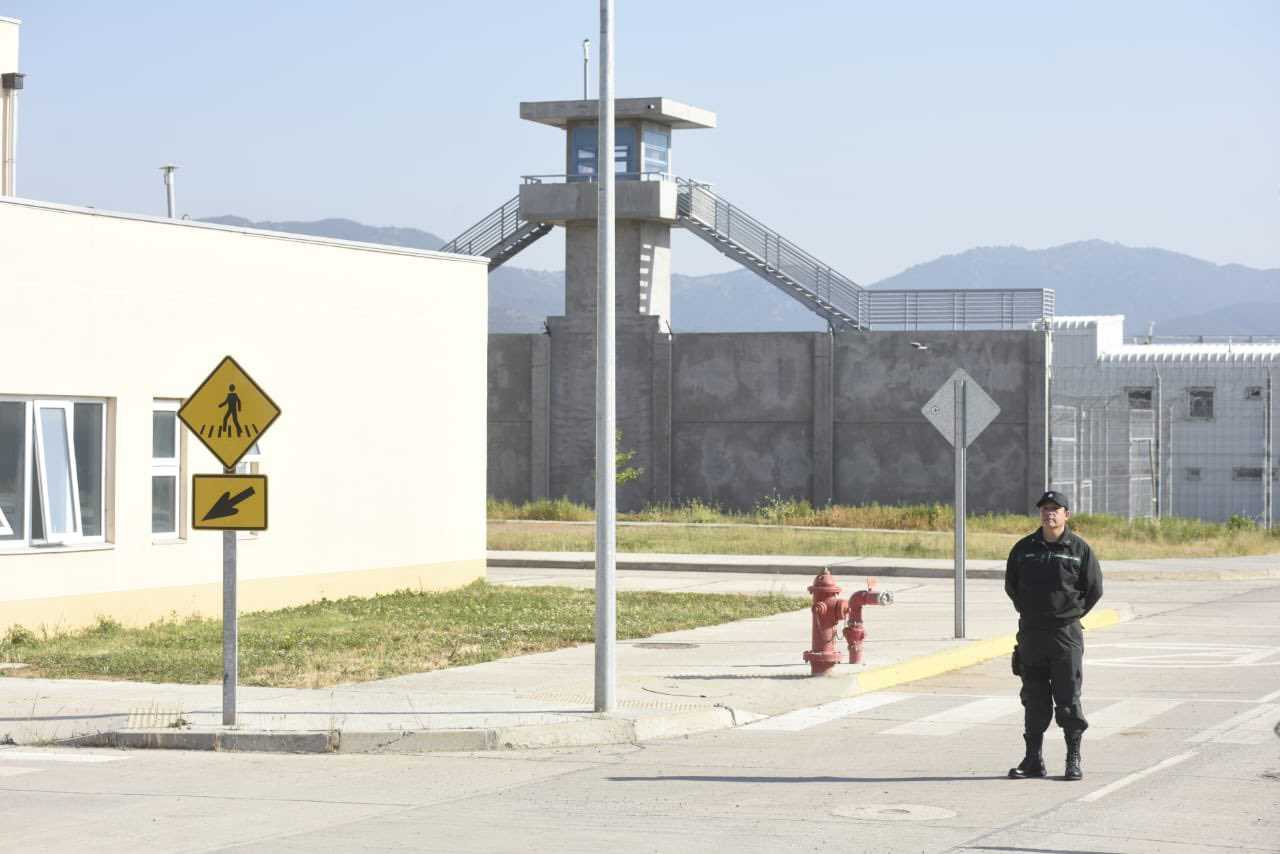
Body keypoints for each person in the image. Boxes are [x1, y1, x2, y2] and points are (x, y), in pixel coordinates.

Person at [1004, 490, 1102, 781]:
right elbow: (1012, 586)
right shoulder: (1024, 549)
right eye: (1045, 509)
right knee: (1033, 698)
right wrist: (1031, 613)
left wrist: (1069, 614)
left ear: (1066, 515)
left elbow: (1094, 589)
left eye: (1055, 509)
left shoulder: (1079, 549)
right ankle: (1033, 760)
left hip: (1065, 635)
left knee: (1068, 698)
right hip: (1032, 634)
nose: (1049, 514)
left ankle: (1073, 759)